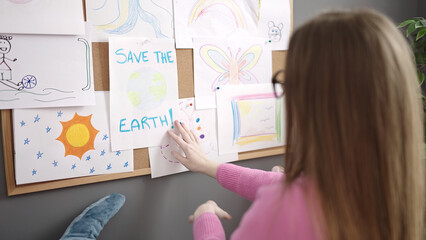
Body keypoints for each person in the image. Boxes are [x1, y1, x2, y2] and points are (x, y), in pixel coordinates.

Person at [168, 8, 425, 240]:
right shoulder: (399, 191)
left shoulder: (285, 208)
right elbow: (280, 186)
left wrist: (206, 218)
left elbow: (291, 195)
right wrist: (208, 165)